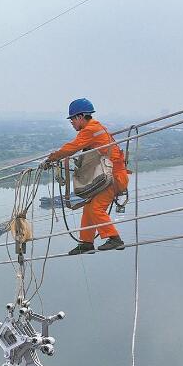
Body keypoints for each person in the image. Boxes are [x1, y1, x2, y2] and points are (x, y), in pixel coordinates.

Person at [43, 98, 128, 254]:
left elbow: (72, 148)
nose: (72, 123)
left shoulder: (90, 130)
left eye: (73, 120)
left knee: (96, 208)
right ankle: (86, 243)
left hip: (113, 177)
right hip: (111, 176)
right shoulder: (95, 128)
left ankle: (115, 239)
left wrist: (52, 157)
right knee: (89, 208)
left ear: (80, 117)